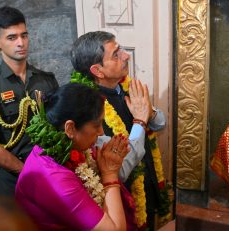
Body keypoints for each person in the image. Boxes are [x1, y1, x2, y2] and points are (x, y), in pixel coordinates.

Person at [70, 31, 166, 230]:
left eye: (120, 49)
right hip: (124, 199)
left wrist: (149, 112)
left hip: (150, 182)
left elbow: (160, 123)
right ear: (97, 71)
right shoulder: (90, 109)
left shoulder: (125, 86)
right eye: (116, 54)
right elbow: (119, 170)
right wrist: (140, 120)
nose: (126, 55)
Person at [16, 83, 132, 230]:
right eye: (97, 125)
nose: (102, 132)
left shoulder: (66, 146)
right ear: (70, 128)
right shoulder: (54, 178)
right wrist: (110, 174)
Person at [0, 6, 58, 196]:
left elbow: (59, 126)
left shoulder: (46, 79)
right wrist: (26, 171)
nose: (21, 43)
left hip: (50, 172)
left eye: (24, 35)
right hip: (13, 180)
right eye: (12, 38)